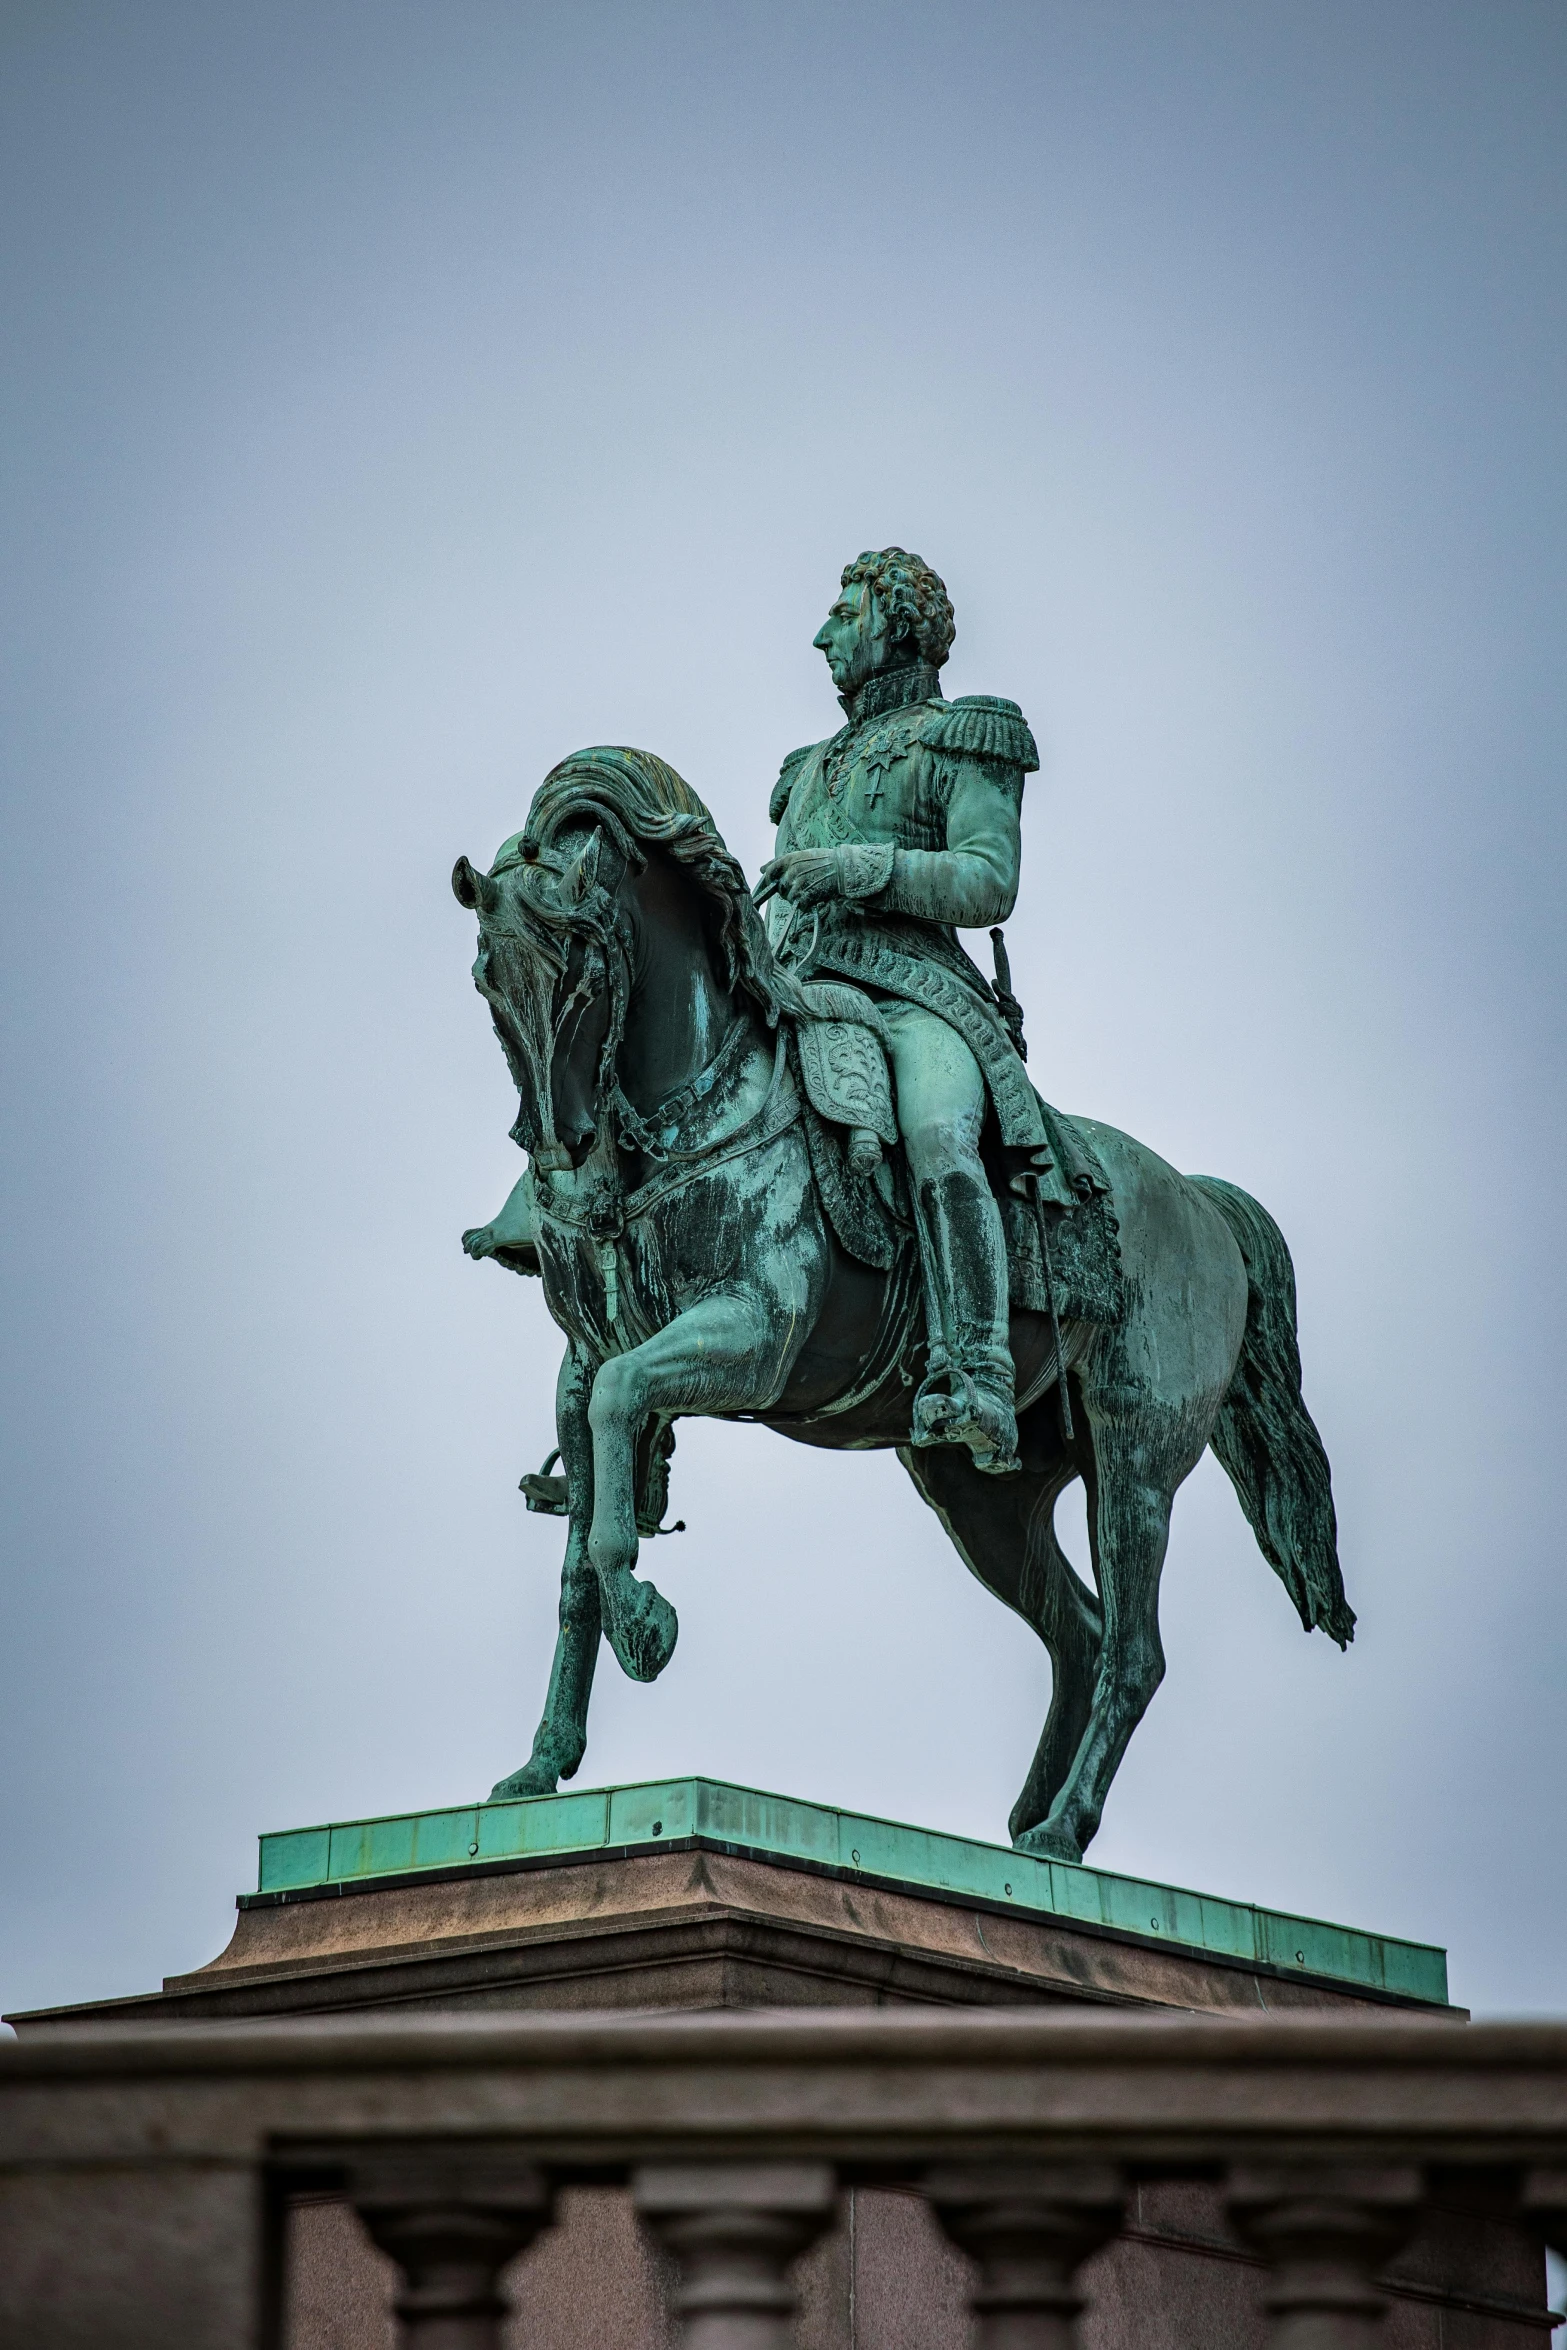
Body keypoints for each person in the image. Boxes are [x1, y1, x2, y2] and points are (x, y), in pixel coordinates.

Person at [758, 547, 1055, 1477]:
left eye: (842, 613)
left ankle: (976, 1372)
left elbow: (987, 880)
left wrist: (862, 870)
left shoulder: (967, 735)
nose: (821, 634)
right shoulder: (803, 768)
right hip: (800, 985)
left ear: (896, 621)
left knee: (937, 1135)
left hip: (917, 991)